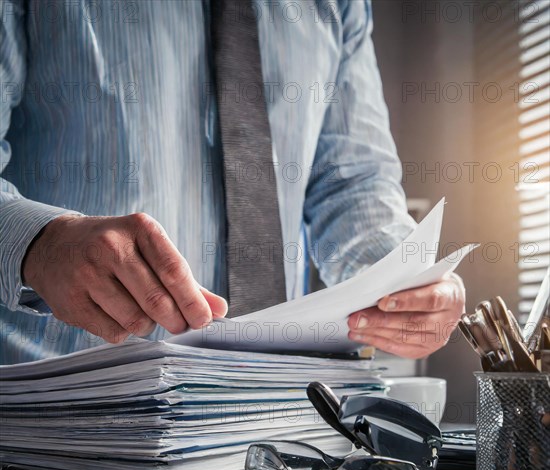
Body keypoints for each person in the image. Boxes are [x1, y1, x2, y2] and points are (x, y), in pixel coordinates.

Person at [0, 0, 465, 365]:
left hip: (270, 425)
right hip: (51, 434)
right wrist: (41, 245)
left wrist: (408, 286)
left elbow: (352, 185)